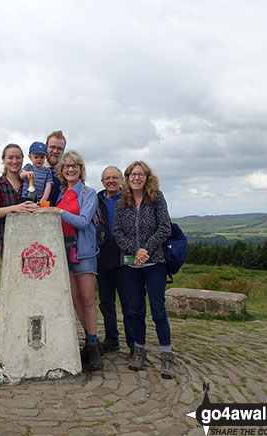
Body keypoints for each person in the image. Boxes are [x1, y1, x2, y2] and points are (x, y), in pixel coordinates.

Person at [37, 150, 103, 371]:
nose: (70, 169)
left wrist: (57, 211)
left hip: (83, 250)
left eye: (74, 165)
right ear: (62, 171)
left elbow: (83, 221)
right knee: (75, 299)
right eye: (66, 166)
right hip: (63, 250)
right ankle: (91, 340)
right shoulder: (62, 194)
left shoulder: (89, 193)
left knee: (87, 300)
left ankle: (93, 346)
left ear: (81, 169)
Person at [112, 161, 175, 379]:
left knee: (158, 311)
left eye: (141, 174)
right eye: (132, 174)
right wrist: (135, 251)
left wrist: (145, 250)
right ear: (127, 178)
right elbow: (117, 232)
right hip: (131, 265)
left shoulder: (157, 199)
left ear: (147, 178)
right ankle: (139, 351)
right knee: (136, 310)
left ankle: (167, 356)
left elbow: (165, 227)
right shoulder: (123, 202)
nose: (136, 178)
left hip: (154, 263)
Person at [97, 166, 134, 355]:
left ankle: (134, 343)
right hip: (102, 259)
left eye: (114, 177)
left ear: (121, 180)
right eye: (106, 178)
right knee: (106, 303)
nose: (110, 181)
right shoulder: (97, 199)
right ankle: (111, 339)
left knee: (129, 303)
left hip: (124, 258)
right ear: (102, 182)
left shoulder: (129, 198)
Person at [0, 144, 36, 254]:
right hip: (8, 245)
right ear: (3, 160)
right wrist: (15, 208)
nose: (14, 161)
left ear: (23, 159)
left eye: (18, 157)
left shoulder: (29, 183)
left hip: (31, 243)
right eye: (10, 157)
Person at [44, 130, 67, 206]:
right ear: (46, 147)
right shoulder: (33, 171)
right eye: (52, 147)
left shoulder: (67, 174)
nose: (55, 151)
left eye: (59, 149)